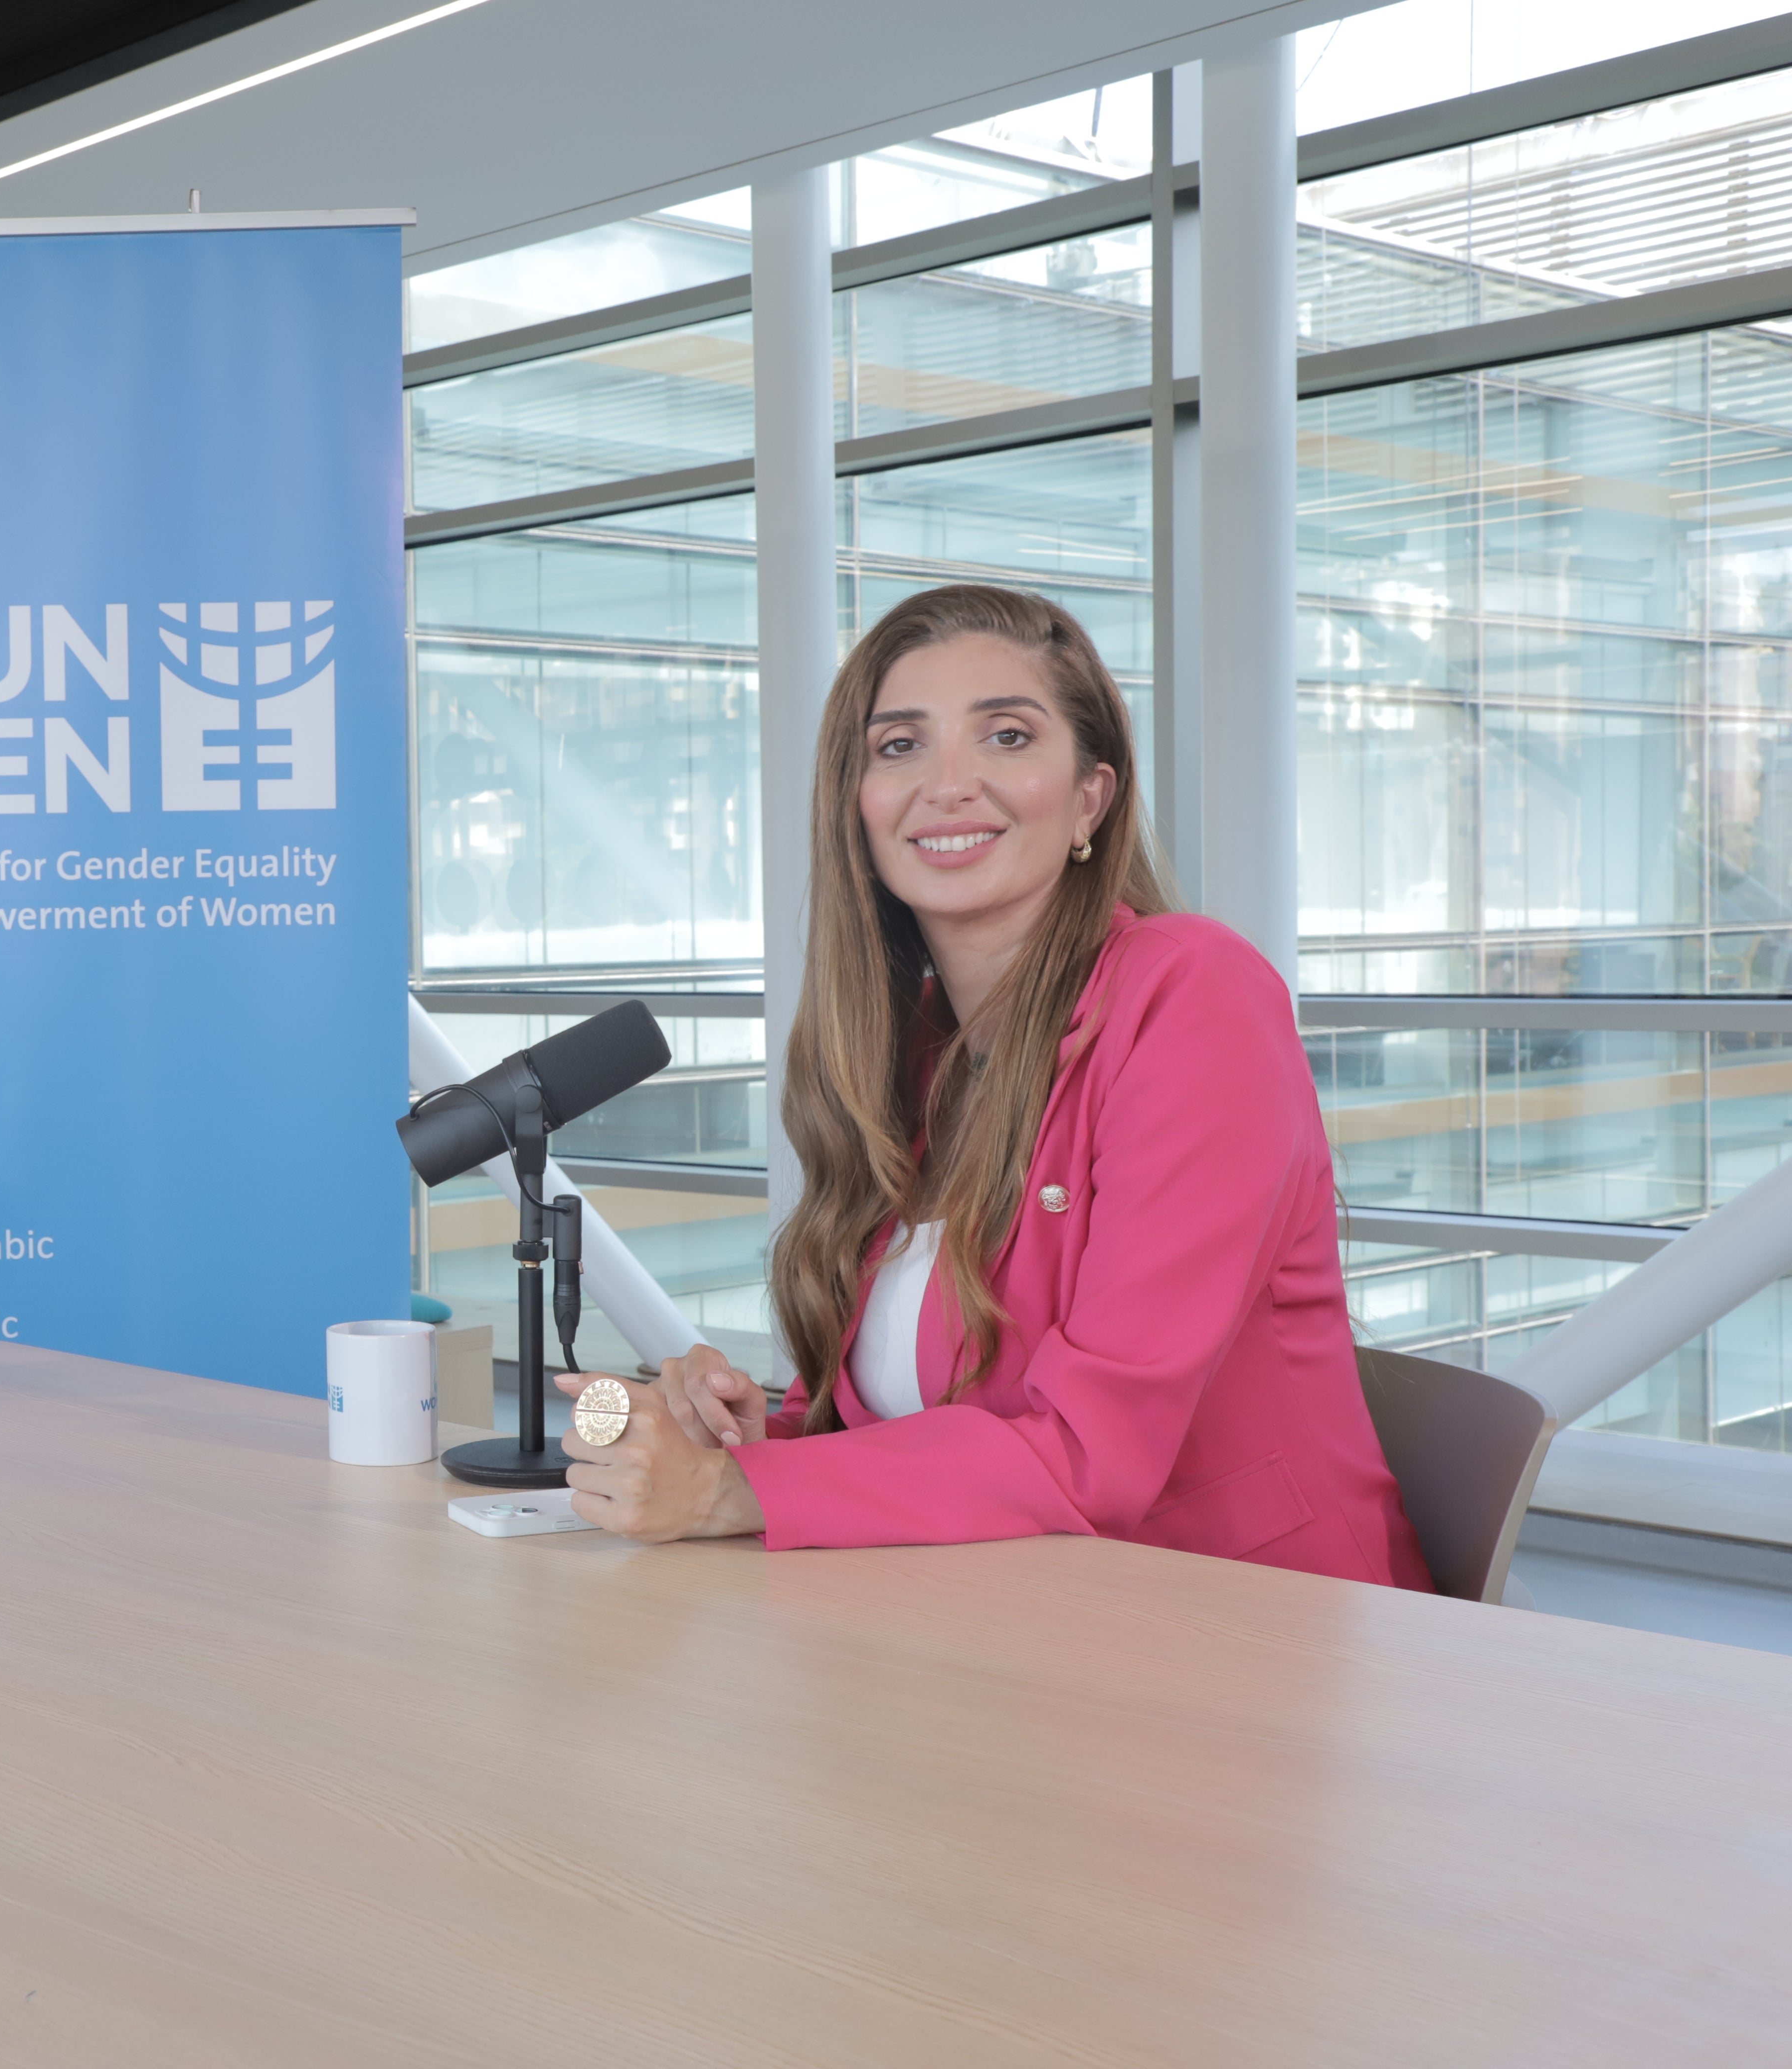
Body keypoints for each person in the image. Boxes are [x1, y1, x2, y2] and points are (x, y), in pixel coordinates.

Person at [559, 584, 1432, 1590]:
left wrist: (736, 1493)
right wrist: (756, 1438)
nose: (949, 783)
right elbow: (920, 1415)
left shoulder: (1194, 994)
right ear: (859, 806)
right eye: (900, 746)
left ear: (1091, 799)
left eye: (1007, 737)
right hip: (996, 1620)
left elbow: (1086, 1449)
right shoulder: (910, 1052)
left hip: (1242, 1633)